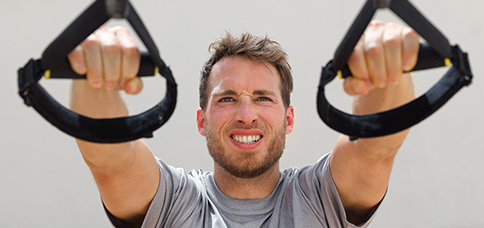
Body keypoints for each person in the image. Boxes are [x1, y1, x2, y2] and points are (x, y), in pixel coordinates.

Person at [68, 21, 419, 228]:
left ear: (289, 118)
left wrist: (387, 71)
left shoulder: (319, 197)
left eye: (263, 98)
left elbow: (377, 145)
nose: (246, 114)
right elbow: (111, 158)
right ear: (201, 121)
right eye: (226, 98)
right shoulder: (174, 202)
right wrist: (95, 77)